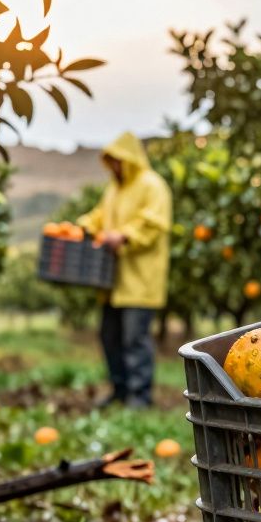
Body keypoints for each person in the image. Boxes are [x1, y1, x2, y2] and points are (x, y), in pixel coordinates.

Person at [77, 132, 171, 409]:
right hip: (112, 281)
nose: (115, 167)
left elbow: (154, 224)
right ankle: (119, 390)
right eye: (111, 162)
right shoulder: (113, 190)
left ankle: (140, 396)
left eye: (119, 161)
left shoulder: (152, 185)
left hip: (140, 281)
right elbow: (99, 217)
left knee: (135, 340)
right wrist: (82, 225)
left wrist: (125, 236)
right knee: (110, 337)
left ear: (130, 160)